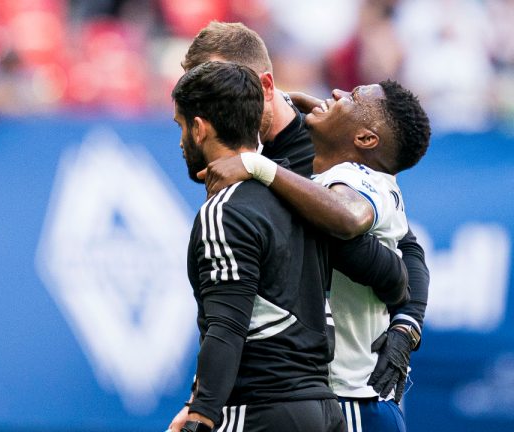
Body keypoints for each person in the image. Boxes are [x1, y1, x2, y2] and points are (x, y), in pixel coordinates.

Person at [175, 21, 430, 432]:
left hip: (347, 396)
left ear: (264, 86)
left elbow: (400, 261)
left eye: (219, 89)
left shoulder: (326, 158)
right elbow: (234, 304)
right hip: (303, 398)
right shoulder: (252, 160)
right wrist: (201, 399)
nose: (202, 111)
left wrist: (407, 323)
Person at [171, 59, 349, 432]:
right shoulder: (301, 195)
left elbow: (227, 327)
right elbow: (389, 273)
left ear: (200, 129)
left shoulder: (224, 210)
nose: (181, 140)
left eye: (181, 126)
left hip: (260, 410)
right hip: (325, 410)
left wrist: (200, 416)